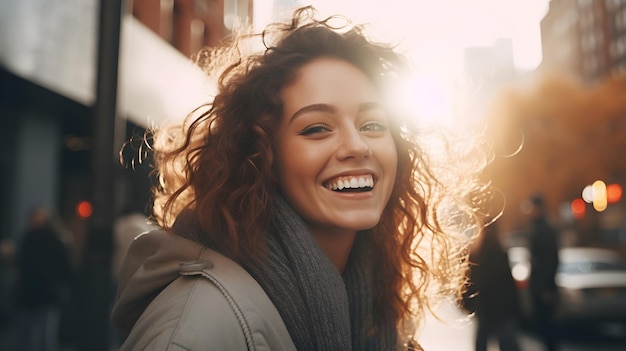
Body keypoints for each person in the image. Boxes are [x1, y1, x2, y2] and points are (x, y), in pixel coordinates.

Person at [111, 6, 490, 350]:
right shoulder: (199, 327)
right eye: (317, 129)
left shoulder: (375, 306)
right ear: (261, 156)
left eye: (373, 124)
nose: (357, 146)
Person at [14, 207, 74, 351]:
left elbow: (22, 263)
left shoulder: (29, 237)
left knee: (26, 334)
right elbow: (65, 267)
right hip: (48, 293)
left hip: (30, 291)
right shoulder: (57, 239)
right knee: (46, 335)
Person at [464, 220, 521, 351]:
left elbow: (469, 283)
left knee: (481, 343)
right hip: (502, 308)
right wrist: (516, 308)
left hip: (483, 307)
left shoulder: (476, 255)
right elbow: (509, 284)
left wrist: (469, 304)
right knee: (507, 343)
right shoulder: (500, 253)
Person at [527, 195, 560, 351]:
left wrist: (546, 289)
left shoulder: (544, 230)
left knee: (548, 328)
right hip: (540, 287)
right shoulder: (537, 228)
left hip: (543, 289)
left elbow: (550, 261)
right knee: (544, 328)